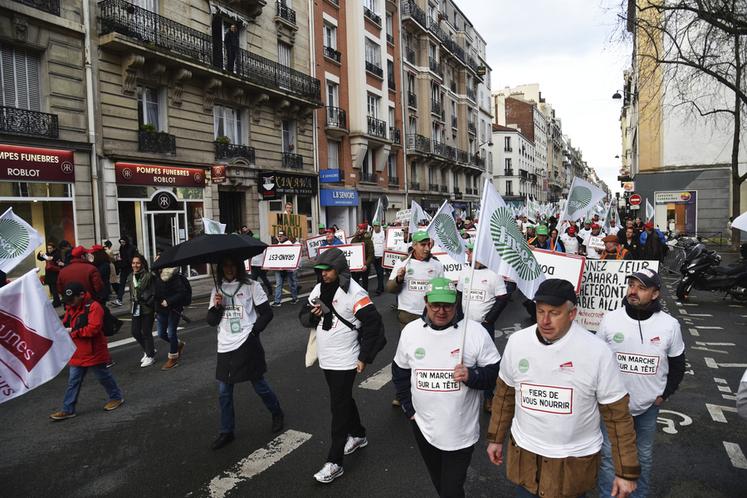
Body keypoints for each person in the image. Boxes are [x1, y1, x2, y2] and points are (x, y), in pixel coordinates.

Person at [486, 279, 640, 498]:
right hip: (526, 459)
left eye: (554, 313)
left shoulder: (597, 352)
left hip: (572, 466)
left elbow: (618, 417)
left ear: (572, 314)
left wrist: (626, 472)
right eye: (540, 311)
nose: (545, 320)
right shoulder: (517, 343)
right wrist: (495, 438)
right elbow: (504, 395)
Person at [393, 277, 500, 498]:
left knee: (451, 489)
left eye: (448, 305)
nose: (441, 311)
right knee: (441, 485)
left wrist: (473, 375)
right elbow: (400, 371)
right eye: (436, 305)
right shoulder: (411, 332)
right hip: (423, 427)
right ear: (425, 302)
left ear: (456, 303)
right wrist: (408, 408)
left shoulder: (474, 332)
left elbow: (495, 374)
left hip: (460, 431)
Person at [596, 269, 685, 497]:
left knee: (643, 456)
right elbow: (596, 360)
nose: (633, 291)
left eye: (641, 287)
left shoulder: (670, 325)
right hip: (613, 405)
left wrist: (664, 394)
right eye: (631, 285)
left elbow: (677, 365)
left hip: (647, 407)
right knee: (609, 454)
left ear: (655, 294)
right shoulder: (610, 319)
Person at [299, 248, 385, 484]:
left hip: (347, 358)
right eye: (320, 270)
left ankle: (334, 462)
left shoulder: (354, 292)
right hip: (327, 357)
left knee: (338, 407)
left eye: (328, 270)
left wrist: (364, 357)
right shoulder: (318, 289)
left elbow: (374, 324)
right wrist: (313, 315)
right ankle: (358, 434)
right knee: (343, 399)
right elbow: (303, 316)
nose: (323, 274)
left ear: (339, 269)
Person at [207, 256, 283, 450]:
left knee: (259, 385)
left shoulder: (252, 286)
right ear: (221, 268)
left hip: (246, 343)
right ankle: (227, 431)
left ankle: (276, 413)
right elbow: (211, 321)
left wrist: (254, 332)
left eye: (232, 265)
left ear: (238, 267)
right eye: (225, 265)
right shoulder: (217, 289)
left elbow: (267, 313)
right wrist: (216, 307)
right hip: (225, 345)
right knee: (224, 392)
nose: (229, 268)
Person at [49, 282, 124, 421]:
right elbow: (66, 322)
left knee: (103, 377)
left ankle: (116, 397)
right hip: (78, 351)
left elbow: (94, 329)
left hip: (94, 350)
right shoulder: (72, 307)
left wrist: (73, 332)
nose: (70, 303)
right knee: (73, 381)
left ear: (82, 295)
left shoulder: (94, 307)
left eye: (72, 300)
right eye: (68, 300)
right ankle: (68, 409)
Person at [386, 230, 444, 406]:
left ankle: (427, 390)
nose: (426, 248)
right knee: (407, 355)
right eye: (422, 244)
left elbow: (441, 290)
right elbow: (390, 288)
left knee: (429, 355)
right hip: (407, 314)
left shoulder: (437, 265)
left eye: (428, 244)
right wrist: (399, 279)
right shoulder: (403, 264)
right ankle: (402, 393)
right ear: (414, 246)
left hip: (429, 316)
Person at [154, 266, 188, 370]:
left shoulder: (174, 275)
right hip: (161, 309)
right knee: (161, 333)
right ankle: (178, 344)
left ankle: (173, 358)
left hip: (174, 309)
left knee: (171, 333)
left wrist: (168, 301)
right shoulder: (156, 275)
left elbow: (181, 293)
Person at [128, 254, 156, 367]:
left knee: (146, 332)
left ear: (143, 264)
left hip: (147, 307)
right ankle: (148, 349)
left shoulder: (149, 276)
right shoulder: (131, 276)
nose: (135, 265)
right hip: (135, 307)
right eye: (133, 263)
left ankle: (150, 356)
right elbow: (131, 292)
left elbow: (153, 292)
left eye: (138, 263)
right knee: (135, 331)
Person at [272, 230, 299, 306]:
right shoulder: (278, 244)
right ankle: (277, 301)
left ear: (285, 236)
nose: (279, 237)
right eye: (279, 236)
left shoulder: (289, 244)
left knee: (291, 284)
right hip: (279, 268)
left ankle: (295, 298)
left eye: (281, 236)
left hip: (289, 269)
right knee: (278, 284)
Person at [38, 242, 63, 307]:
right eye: (48, 248)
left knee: (55, 289)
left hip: (55, 273)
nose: (49, 249)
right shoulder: (47, 254)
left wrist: (51, 258)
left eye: (50, 248)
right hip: (49, 274)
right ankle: (56, 300)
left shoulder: (57, 254)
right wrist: (39, 254)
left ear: (54, 248)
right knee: (52, 289)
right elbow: (40, 259)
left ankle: (57, 302)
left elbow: (58, 261)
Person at [350, 223, 374, 292]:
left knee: (365, 281)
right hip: (356, 266)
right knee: (355, 282)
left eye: (361, 229)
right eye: (358, 228)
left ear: (364, 230)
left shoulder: (368, 240)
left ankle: (365, 295)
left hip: (364, 265)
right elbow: (351, 252)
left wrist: (366, 265)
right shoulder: (354, 239)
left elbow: (371, 254)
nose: (359, 230)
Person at [114, 236, 136, 306]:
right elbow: (122, 257)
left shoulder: (132, 248)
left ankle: (133, 298)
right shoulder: (121, 248)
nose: (122, 243)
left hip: (130, 268)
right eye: (121, 242)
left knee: (131, 284)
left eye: (123, 242)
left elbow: (134, 257)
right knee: (122, 284)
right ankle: (119, 299)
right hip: (124, 268)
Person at [371, 221, 386, 295]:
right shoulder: (371, 232)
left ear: (380, 226)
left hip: (381, 256)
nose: (375, 227)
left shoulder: (384, 232)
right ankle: (382, 287)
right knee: (378, 272)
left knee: (380, 272)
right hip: (374, 255)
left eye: (377, 226)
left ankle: (379, 289)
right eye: (374, 226)